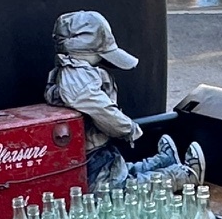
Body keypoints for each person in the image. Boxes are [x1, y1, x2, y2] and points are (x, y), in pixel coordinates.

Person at [44, 10, 203, 189]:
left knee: (118, 184)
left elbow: (97, 105)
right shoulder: (75, 76)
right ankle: (176, 170)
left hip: (94, 152)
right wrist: (127, 128)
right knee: (118, 182)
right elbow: (97, 105)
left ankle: (177, 170)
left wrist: (126, 128)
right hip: (90, 154)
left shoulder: (73, 73)